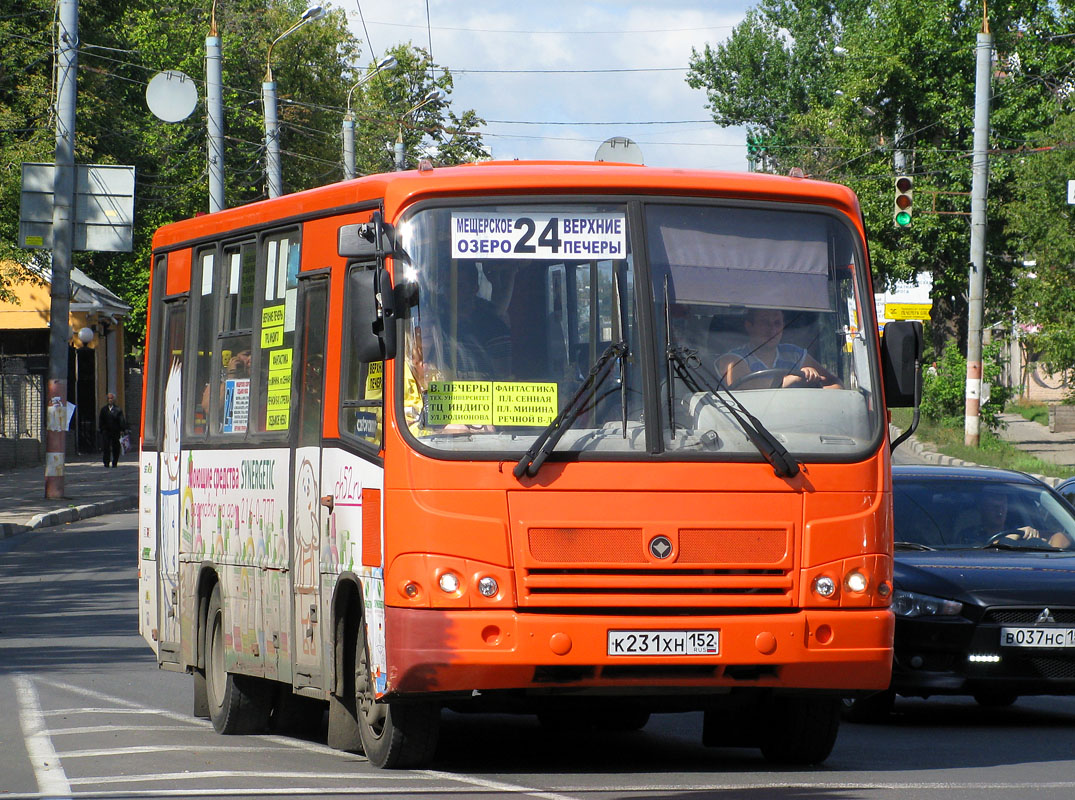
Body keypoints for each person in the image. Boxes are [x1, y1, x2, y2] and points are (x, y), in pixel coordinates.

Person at [717, 307, 840, 389]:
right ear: (749, 326)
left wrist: (812, 376)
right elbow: (743, 385)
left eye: (777, 323)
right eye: (765, 323)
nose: (772, 330)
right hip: (749, 425)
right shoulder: (732, 358)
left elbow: (835, 383)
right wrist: (791, 379)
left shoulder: (794, 354)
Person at [958, 489, 1073, 549]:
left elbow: (1063, 537)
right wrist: (1011, 537)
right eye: (994, 506)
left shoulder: (1018, 529)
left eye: (1003, 505)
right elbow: (980, 552)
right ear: (982, 508)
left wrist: (1052, 550)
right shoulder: (969, 535)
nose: (1000, 510)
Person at [98, 392, 127, 468]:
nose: (110, 400)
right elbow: (101, 420)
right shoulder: (104, 410)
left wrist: (122, 429)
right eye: (109, 398)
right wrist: (101, 429)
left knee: (115, 447)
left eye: (111, 398)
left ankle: (115, 462)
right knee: (106, 447)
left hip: (115, 431)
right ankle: (106, 462)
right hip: (106, 431)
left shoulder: (118, 410)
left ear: (114, 400)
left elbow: (121, 420)